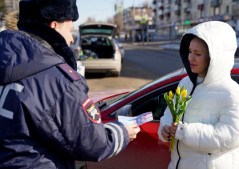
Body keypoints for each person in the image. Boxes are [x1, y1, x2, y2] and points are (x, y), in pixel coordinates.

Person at [0, 0, 140, 168]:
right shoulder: (58, 80)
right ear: (53, 26)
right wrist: (122, 132)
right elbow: (92, 143)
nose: (72, 39)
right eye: (70, 30)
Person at [158, 21, 239, 169]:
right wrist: (165, 128)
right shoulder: (185, 83)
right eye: (189, 51)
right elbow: (170, 113)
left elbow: (231, 137)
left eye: (198, 54)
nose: (190, 58)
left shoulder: (232, 93)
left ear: (214, 58)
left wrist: (184, 132)